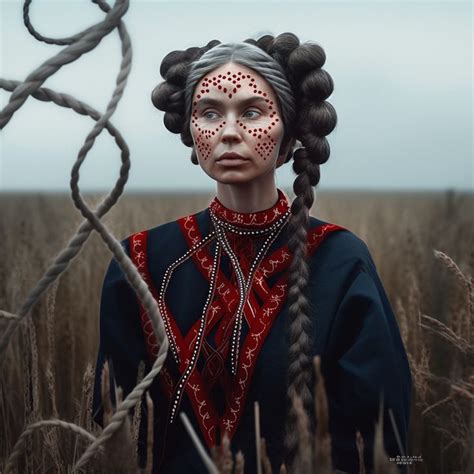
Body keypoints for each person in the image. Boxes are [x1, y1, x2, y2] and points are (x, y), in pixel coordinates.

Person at [92, 32, 412, 473]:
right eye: (209, 113)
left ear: (289, 130)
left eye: (252, 111)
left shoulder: (340, 260)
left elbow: (385, 440)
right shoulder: (142, 261)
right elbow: (113, 432)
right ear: (190, 129)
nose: (227, 132)